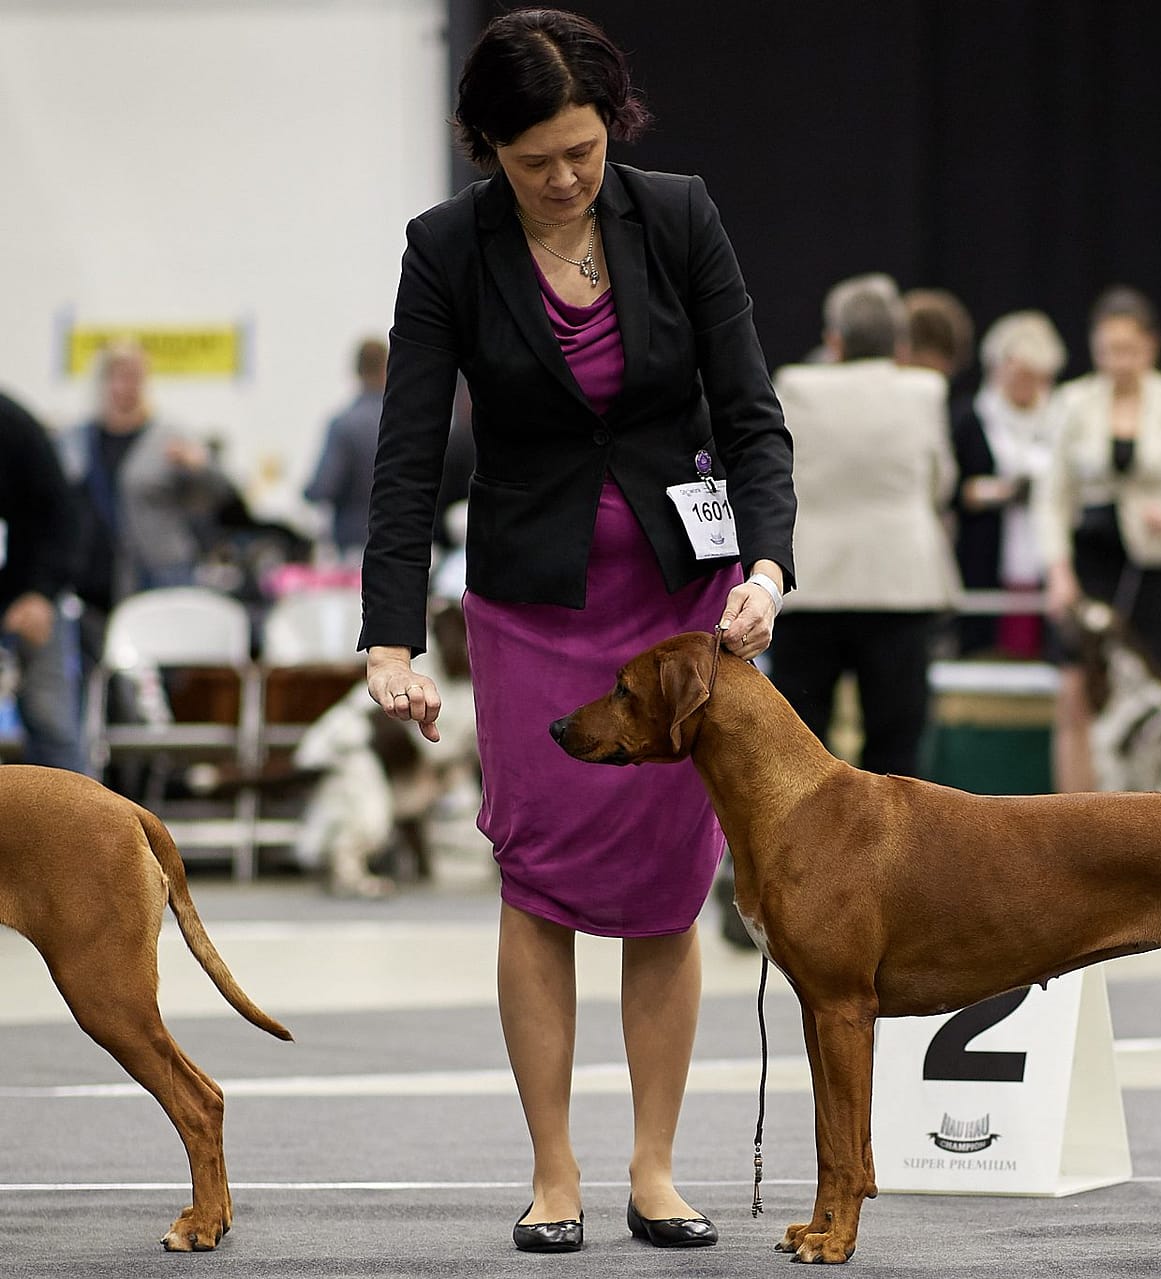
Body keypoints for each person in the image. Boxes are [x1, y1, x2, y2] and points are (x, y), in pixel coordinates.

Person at [357, 9, 795, 1254]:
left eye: (584, 152)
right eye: (534, 158)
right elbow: (406, 450)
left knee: (667, 885)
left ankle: (655, 1167)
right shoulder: (446, 246)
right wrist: (390, 635)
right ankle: (554, 1170)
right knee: (538, 879)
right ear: (486, 147)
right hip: (531, 608)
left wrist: (767, 565)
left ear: (615, 126)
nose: (563, 178)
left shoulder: (679, 214)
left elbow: (748, 411)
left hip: (677, 604)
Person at [1038, 286, 1161, 793]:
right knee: (1076, 691)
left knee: (1156, 697)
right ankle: (1070, 816)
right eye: (1106, 350)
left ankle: (1145, 817)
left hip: (1154, 564)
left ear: (1150, 346)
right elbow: (1051, 496)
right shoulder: (1071, 402)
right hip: (1090, 562)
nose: (1117, 362)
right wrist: (1058, 571)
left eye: (1127, 349)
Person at [770, 275, 956, 775]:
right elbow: (940, 482)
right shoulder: (925, 391)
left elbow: (777, 474)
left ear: (834, 340)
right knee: (897, 754)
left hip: (810, 585)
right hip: (902, 585)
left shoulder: (794, 386)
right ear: (900, 343)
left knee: (800, 750)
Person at [63, 342, 235, 621]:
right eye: (118, 375)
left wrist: (200, 466)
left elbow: (222, 494)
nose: (125, 386)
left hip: (160, 570)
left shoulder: (168, 437)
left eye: (134, 376)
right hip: (95, 574)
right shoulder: (77, 440)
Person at [950, 310, 1067, 657]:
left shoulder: (1063, 417)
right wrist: (994, 492)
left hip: (1043, 556)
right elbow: (950, 488)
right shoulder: (970, 418)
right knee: (984, 651)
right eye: (1017, 375)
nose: (1024, 386)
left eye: (1035, 377)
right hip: (985, 555)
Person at [0, 390, 84, 773]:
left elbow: (59, 517)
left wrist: (39, 592)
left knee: (51, 721)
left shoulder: (12, 424)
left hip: (27, 592)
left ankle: (76, 812)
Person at [303, 337, 388, 563]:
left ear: (357, 371)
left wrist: (306, 492)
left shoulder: (344, 425)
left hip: (355, 545)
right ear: (387, 369)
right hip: (403, 543)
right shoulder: (407, 423)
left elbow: (324, 487)